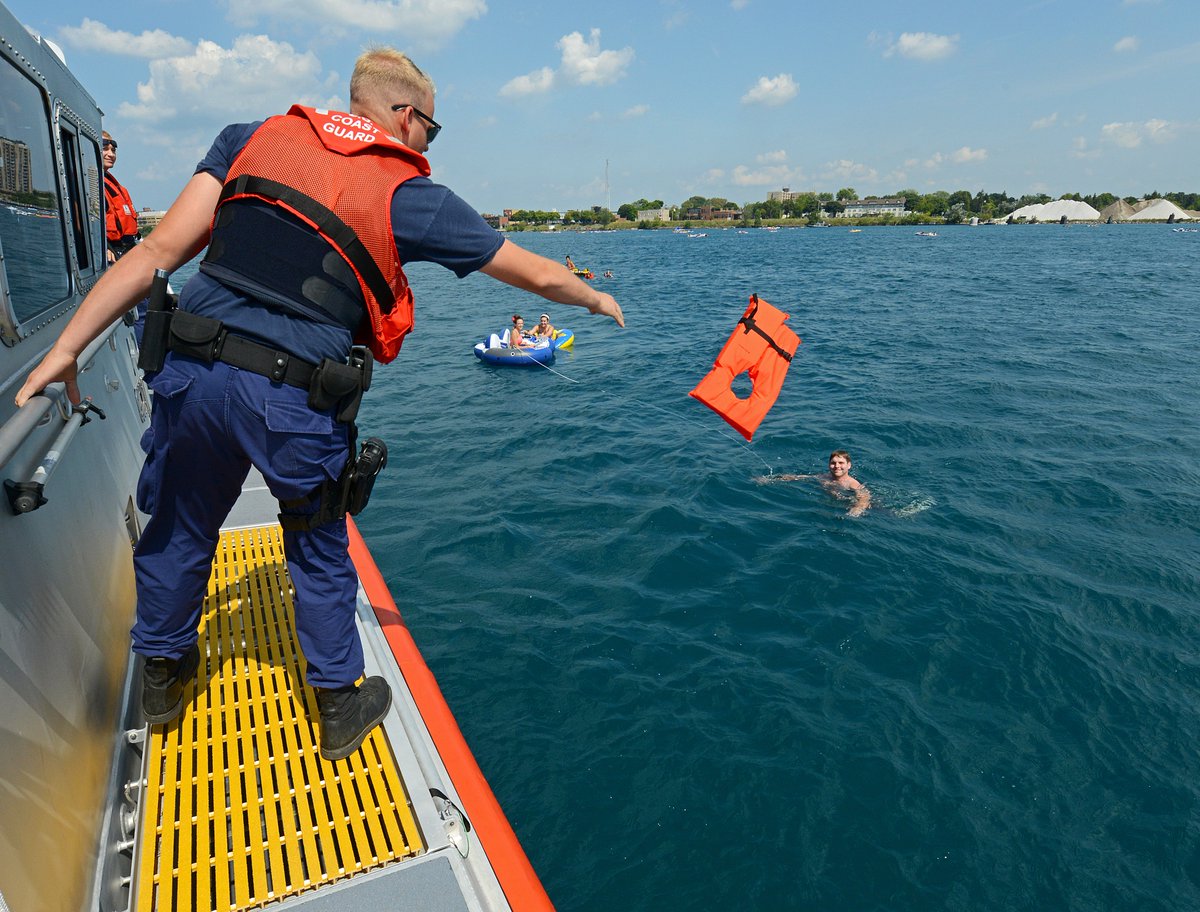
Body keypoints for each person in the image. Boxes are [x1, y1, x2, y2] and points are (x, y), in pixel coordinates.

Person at [15, 47, 624, 762]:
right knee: (315, 536)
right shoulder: (409, 194)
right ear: (406, 116)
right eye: (432, 130)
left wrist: (65, 349)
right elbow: (536, 274)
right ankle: (338, 702)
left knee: (180, 523)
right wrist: (594, 295)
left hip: (194, 377)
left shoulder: (249, 138)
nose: (428, 144)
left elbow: (157, 253)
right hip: (294, 397)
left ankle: (164, 678)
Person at [757, 449, 871, 516]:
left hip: (856, 507)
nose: (837, 466)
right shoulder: (823, 477)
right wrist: (770, 479)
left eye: (841, 463)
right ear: (829, 465)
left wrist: (856, 510)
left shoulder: (852, 484)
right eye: (833, 463)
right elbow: (798, 477)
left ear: (849, 465)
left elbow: (865, 497)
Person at [102, 131, 140, 262]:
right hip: (111, 251)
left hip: (127, 249)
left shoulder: (114, 185)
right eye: (105, 149)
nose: (111, 154)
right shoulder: (89, 182)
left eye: (113, 150)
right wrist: (103, 249)